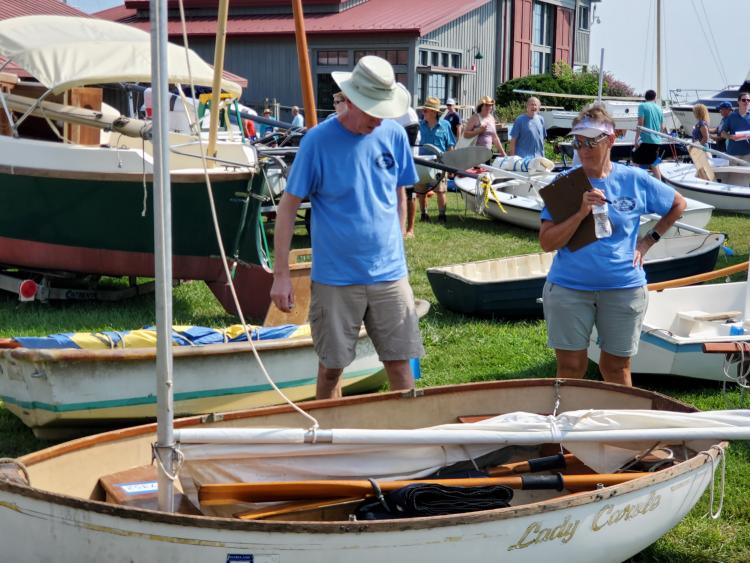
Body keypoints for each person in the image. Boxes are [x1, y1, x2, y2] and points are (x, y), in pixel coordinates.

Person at [270, 55, 424, 400]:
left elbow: (399, 193)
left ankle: (408, 444)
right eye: (373, 109)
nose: (379, 119)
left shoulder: (395, 135)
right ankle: (328, 444)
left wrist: (397, 243)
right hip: (336, 278)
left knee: (400, 365)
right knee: (331, 368)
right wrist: (281, 275)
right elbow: (287, 208)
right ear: (350, 100)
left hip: (389, 276)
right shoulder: (317, 141)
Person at [539, 104, 686, 387]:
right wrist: (580, 212)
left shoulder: (634, 179)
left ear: (611, 140)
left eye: (591, 141)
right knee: (570, 367)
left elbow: (678, 204)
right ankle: (566, 427)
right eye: (578, 141)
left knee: (617, 369)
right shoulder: (565, 184)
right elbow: (547, 243)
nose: (583, 149)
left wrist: (647, 242)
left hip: (623, 288)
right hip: (569, 288)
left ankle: (619, 431)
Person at [416, 96, 455, 223]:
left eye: (426, 110)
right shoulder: (419, 126)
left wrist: (451, 166)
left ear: (434, 112)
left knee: (441, 190)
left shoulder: (445, 125)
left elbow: (450, 146)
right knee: (421, 190)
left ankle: (442, 216)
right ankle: (424, 215)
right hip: (422, 162)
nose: (423, 112)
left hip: (440, 163)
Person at [393, 101, 420, 238]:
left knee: (410, 194)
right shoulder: (389, 112)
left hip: (407, 158)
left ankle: (410, 229)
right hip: (393, 159)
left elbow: (411, 138)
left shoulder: (409, 114)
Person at [633, 89, 664, 180]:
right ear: (654, 98)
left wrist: (636, 139)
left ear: (645, 97)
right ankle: (659, 184)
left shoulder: (642, 106)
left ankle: (636, 183)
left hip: (645, 139)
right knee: (653, 163)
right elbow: (662, 127)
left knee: (636, 162)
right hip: (657, 140)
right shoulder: (659, 108)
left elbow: (640, 123)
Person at [723, 92, 750, 160]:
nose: (746, 102)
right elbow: (722, 133)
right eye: (744, 100)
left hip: (748, 154)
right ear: (738, 102)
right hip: (733, 154)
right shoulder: (731, 116)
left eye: (748, 100)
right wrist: (731, 137)